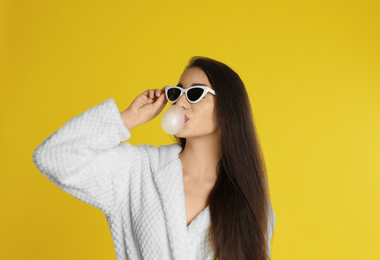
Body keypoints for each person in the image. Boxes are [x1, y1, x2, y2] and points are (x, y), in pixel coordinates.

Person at [32, 56, 276, 260]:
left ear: (228, 107)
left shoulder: (250, 197)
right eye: (177, 92)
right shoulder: (136, 171)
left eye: (195, 93)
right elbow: (52, 156)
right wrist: (127, 119)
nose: (180, 101)